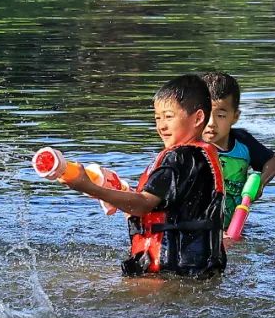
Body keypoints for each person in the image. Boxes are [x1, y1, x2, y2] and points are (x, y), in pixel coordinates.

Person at [62, 74, 227, 278]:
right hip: (202, 273)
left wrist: (88, 187)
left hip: (171, 277)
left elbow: (142, 205)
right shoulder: (202, 156)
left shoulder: (178, 159)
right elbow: (166, 209)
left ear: (198, 118)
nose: (161, 125)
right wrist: (118, 193)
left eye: (168, 116)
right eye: (157, 118)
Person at [200, 72, 275, 231]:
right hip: (200, 230)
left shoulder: (243, 142)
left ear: (235, 117)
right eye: (206, 114)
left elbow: (272, 162)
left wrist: (261, 184)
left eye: (221, 115)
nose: (211, 123)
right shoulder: (190, 147)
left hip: (235, 227)